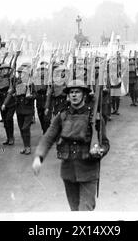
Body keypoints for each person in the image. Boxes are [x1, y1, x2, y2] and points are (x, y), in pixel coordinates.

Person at [32, 79, 109, 211]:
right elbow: (48, 137)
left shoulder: (95, 117)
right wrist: (39, 157)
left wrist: (100, 150)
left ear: (84, 94)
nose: (74, 95)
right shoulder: (62, 116)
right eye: (71, 92)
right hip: (68, 171)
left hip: (88, 171)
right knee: (74, 210)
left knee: (85, 211)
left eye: (77, 92)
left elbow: (105, 143)